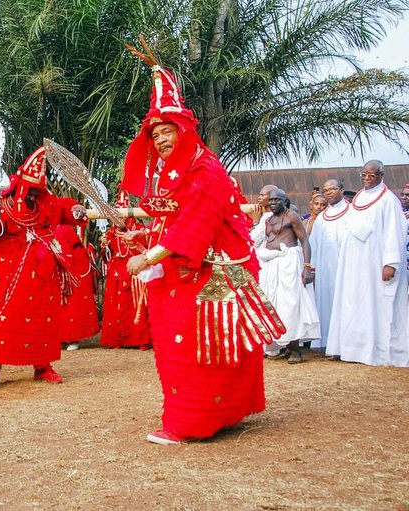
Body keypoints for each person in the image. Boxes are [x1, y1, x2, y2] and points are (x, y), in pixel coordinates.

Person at [123, 62, 283, 444]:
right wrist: (145, 238)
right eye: (155, 134)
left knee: (201, 346)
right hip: (187, 270)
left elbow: (195, 224)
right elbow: (175, 222)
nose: (160, 139)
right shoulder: (176, 174)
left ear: (185, 130)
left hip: (215, 273)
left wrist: (147, 258)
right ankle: (220, 413)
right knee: (204, 347)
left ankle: (189, 423)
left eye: (167, 131)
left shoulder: (206, 170)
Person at [0, 146, 88, 387]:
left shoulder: (47, 206)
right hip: (4, 276)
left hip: (40, 277)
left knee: (41, 321)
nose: (32, 196)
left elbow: (65, 209)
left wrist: (77, 210)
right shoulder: (1, 206)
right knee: (1, 323)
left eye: (36, 192)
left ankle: (43, 366)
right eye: (29, 192)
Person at [326, 161, 408, 366]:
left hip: (376, 261)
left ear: (381, 175)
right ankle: (353, 349)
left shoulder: (389, 200)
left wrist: (391, 263)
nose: (367, 178)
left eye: (372, 175)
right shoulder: (359, 197)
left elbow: (395, 233)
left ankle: (380, 351)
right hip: (354, 262)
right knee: (353, 302)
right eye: (364, 174)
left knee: (377, 304)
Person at [255, 189, 319, 363]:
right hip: (271, 265)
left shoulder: (292, 217)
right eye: (272, 200)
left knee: (291, 303)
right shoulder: (268, 220)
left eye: (277, 200)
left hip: (290, 263)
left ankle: (295, 349)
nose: (274, 203)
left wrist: (307, 267)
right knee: (274, 304)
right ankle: (282, 346)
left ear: (285, 201)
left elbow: (305, 241)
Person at [99, 190, 151, 350]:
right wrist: (105, 246)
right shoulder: (110, 233)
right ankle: (117, 340)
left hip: (134, 273)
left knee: (136, 306)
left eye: (122, 214)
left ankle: (140, 340)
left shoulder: (140, 229)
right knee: (116, 307)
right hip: (115, 274)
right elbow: (108, 255)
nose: (119, 218)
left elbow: (146, 249)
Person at [309, 179, 351, 351]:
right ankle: (327, 343)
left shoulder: (353, 212)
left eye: (333, 189)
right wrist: (311, 269)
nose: (328, 192)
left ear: (342, 190)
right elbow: (314, 245)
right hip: (325, 271)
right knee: (327, 305)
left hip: (347, 269)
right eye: (326, 190)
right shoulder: (322, 219)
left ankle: (347, 344)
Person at [55, 225, 100, 351]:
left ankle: (73, 338)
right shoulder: (49, 227)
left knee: (72, 304)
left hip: (72, 270)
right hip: (55, 269)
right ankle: (61, 338)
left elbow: (75, 247)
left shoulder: (66, 228)